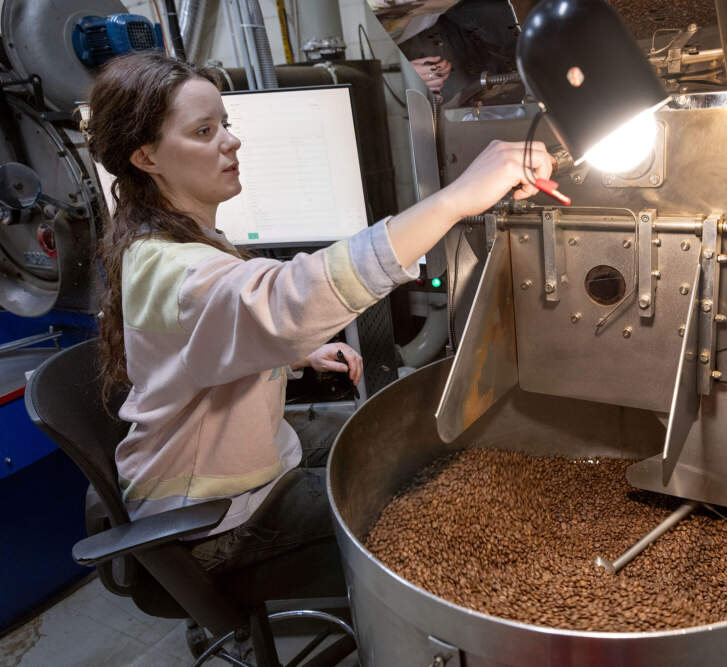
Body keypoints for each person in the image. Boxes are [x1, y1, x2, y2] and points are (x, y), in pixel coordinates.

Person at [85, 51, 552, 576]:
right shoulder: (174, 266)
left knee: (398, 441)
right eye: (203, 131)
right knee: (422, 518)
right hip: (213, 519)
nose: (230, 141)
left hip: (249, 465)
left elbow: (205, 336)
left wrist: (296, 353)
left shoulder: (167, 237)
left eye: (225, 124)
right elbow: (279, 300)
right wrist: (454, 201)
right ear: (145, 157)